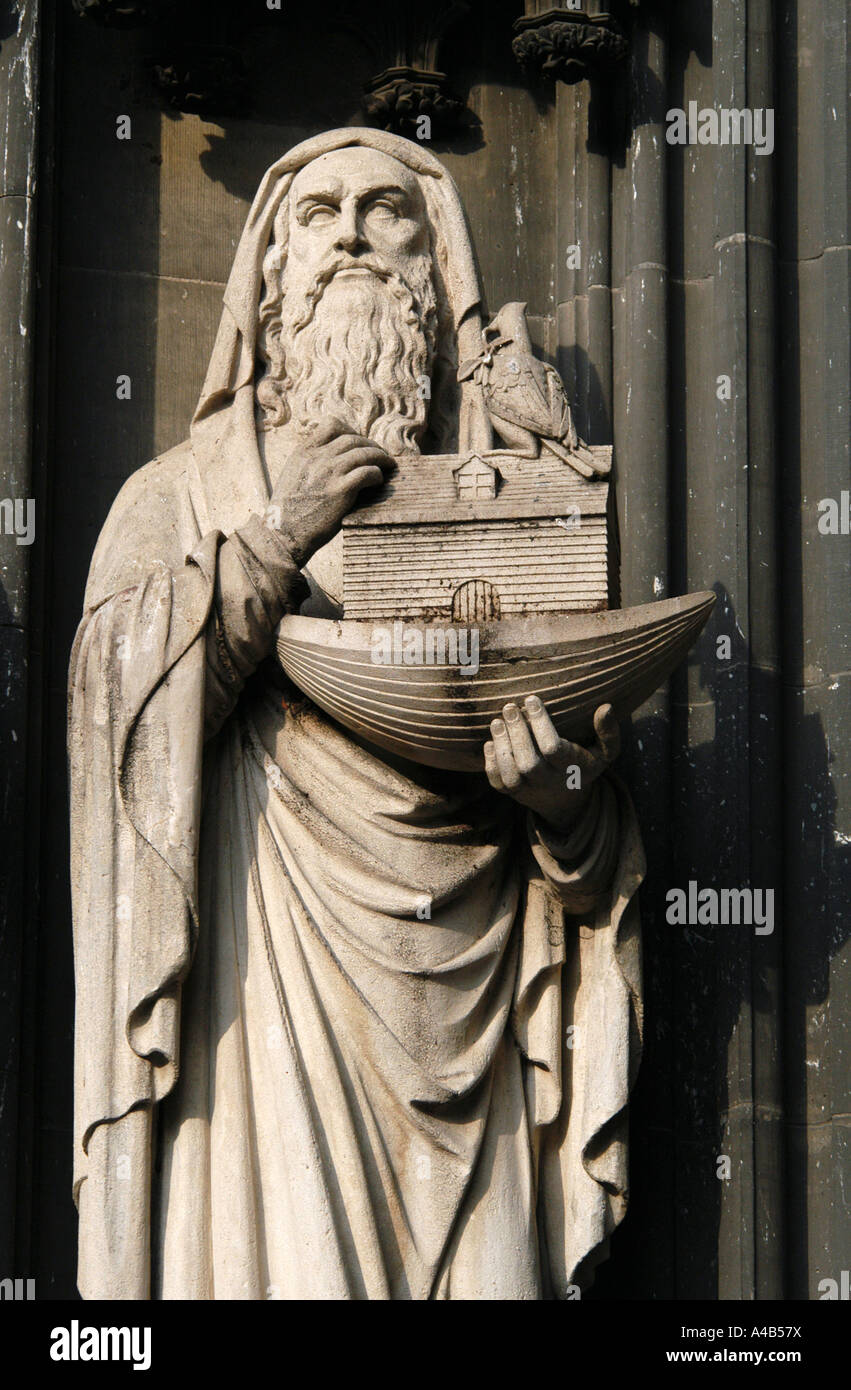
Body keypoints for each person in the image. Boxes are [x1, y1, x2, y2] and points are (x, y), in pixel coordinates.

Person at [69, 128, 644, 1300]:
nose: (347, 234)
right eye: (315, 215)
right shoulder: (177, 495)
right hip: (255, 1006)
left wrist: (562, 803)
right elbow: (110, 725)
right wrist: (275, 538)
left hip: (475, 1011)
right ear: (268, 273)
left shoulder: (513, 511)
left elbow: (593, 848)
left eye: (385, 212)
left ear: (432, 269)